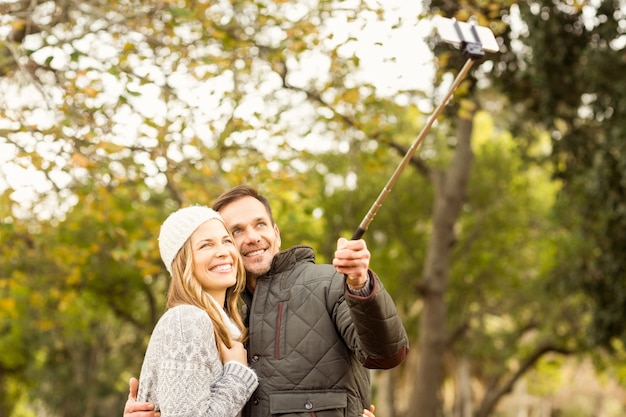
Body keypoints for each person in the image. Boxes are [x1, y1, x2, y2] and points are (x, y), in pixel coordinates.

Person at [125, 184, 409, 417]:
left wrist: (360, 284)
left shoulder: (330, 283)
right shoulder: (220, 319)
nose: (251, 237)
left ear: (275, 233)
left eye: (260, 224)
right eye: (235, 232)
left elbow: (386, 353)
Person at [135, 205, 258, 417]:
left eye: (226, 241)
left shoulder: (227, 326)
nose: (223, 252)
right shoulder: (187, 320)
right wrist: (237, 375)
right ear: (183, 263)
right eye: (205, 245)